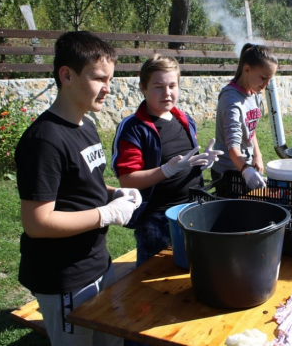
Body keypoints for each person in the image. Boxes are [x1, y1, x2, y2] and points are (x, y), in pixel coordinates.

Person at [15, 31, 141, 346]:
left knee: (111, 341)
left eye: (110, 79)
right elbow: (37, 223)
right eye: (100, 78)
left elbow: (85, 183)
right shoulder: (44, 140)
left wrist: (114, 193)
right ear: (67, 75)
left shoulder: (86, 125)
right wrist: (107, 213)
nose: (108, 89)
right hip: (65, 277)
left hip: (99, 263)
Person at [111, 54, 222, 267]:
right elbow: (127, 180)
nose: (167, 93)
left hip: (192, 210)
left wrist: (203, 163)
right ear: (143, 88)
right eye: (158, 86)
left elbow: (188, 161)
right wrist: (166, 170)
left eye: (172, 85)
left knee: (193, 270)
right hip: (157, 220)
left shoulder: (185, 119)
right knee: (154, 280)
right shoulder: (134, 128)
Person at [211, 43, 278, 191]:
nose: (266, 84)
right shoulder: (231, 100)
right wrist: (246, 169)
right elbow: (232, 145)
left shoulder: (253, 94)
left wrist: (257, 155)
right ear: (247, 69)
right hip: (228, 173)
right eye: (264, 77)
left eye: (270, 79)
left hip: (244, 167)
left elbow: (250, 129)